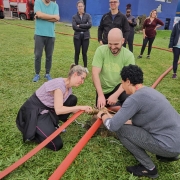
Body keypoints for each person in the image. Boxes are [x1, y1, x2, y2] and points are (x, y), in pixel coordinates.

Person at [97, 64, 180, 178]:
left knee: (121, 131)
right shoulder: (150, 92)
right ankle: (167, 155)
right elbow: (137, 122)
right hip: (175, 143)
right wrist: (113, 117)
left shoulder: (134, 99)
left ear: (128, 81)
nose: (122, 86)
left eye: (122, 83)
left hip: (169, 146)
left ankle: (149, 168)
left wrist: (102, 114)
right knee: (126, 127)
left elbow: (112, 126)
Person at [16, 65, 93, 151]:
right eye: (82, 78)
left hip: (48, 109)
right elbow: (59, 110)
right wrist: (80, 107)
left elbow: (61, 106)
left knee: (72, 99)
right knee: (57, 145)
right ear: (75, 74)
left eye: (84, 79)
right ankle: (35, 130)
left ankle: (53, 125)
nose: (82, 82)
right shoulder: (59, 85)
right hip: (34, 111)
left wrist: (77, 109)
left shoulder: (68, 88)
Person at [92, 28, 135, 109]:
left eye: (116, 44)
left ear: (122, 41)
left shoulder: (128, 56)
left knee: (130, 101)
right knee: (100, 113)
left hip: (119, 86)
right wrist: (100, 95)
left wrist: (115, 95)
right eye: (110, 44)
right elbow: (95, 73)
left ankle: (119, 111)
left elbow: (128, 79)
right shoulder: (100, 50)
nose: (112, 47)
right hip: (103, 89)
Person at [32, 0, 60, 82]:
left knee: (49, 56)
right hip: (39, 34)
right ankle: (37, 74)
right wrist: (52, 17)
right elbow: (39, 14)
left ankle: (47, 74)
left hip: (51, 35)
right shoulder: (38, 2)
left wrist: (42, 17)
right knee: (38, 55)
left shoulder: (55, 5)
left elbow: (57, 18)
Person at [72, 0, 92, 73]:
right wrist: (85, 27)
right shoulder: (74, 17)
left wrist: (80, 25)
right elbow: (74, 27)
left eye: (81, 6)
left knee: (84, 53)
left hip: (85, 37)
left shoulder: (88, 16)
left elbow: (89, 25)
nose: (80, 8)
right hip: (77, 37)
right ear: (77, 7)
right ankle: (76, 67)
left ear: (84, 6)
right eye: (79, 6)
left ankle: (85, 67)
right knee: (77, 52)